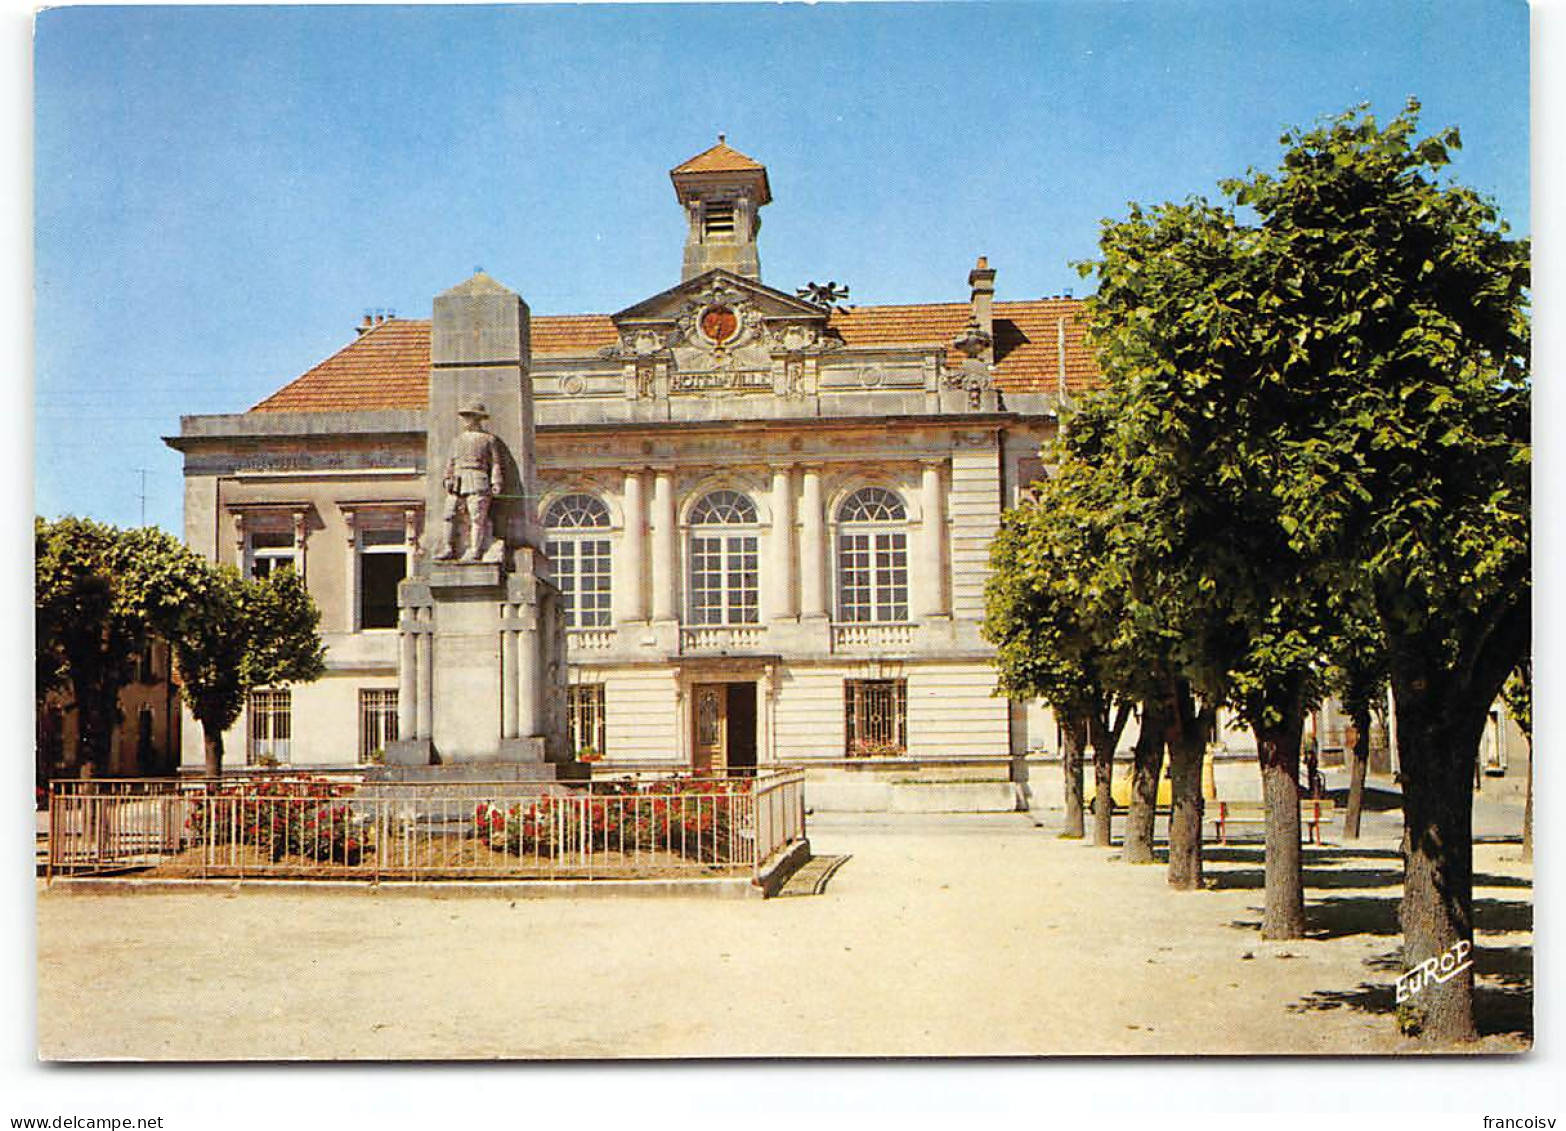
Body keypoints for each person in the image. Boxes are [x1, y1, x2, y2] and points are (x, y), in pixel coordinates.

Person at [437, 400, 504, 561]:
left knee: (477, 516)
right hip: (458, 479)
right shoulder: (457, 440)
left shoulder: (489, 439)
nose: (465, 420)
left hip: (477, 477)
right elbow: (450, 462)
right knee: (449, 514)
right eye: (464, 416)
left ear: (477, 418)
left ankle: (475, 549)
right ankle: (448, 547)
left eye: (469, 416)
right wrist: (447, 478)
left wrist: (496, 482)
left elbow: (495, 463)